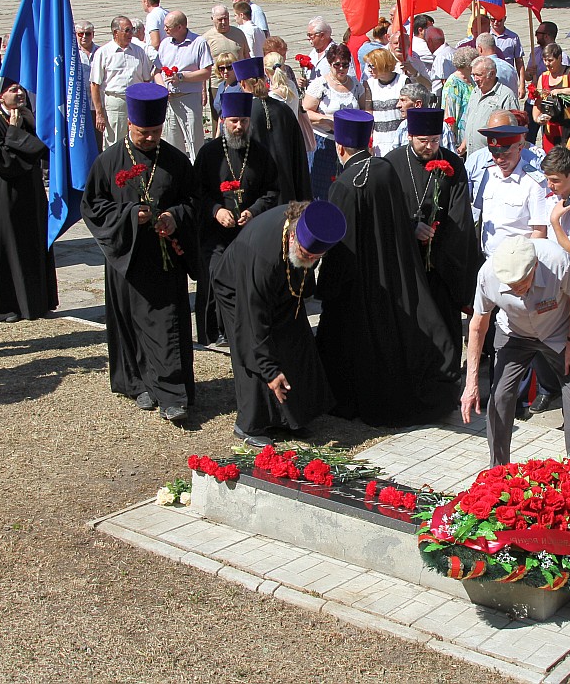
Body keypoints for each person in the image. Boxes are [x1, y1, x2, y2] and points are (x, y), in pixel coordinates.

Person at [316, 109, 461, 426]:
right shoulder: (384, 168)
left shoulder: (343, 185)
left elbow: (341, 248)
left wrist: (326, 287)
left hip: (361, 282)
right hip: (393, 272)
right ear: (367, 140)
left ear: (340, 148)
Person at [81, 83, 199, 423]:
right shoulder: (108, 162)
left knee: (166, 325)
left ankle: (173, 393)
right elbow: (93, 206)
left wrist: (173, 218)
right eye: (143, 132)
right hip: (127, 257)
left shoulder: (175, 161)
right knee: (131, 325)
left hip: (165, 259)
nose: (149, 138)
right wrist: (131, 216)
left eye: (155, 132)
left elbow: (193, 202)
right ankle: (138, 384)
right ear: (130, 126)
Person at [214, 200, 344, 447]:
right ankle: (249, 424)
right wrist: (270, 371)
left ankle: (291, 418)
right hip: (237, 287)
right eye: (306, 254)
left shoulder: (306, 225)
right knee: (252, 348)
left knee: (295, 338)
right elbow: (254, 322)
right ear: (293, 236)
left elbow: (301, 266)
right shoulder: (262, 257)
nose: (311, 259)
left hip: (282, 281)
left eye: (316, 256)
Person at [463, 236, 570, 466]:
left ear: (535, 265)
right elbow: (477, 325)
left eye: (522, 282)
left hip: (560, 331)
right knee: (500, 396)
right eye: (511, 285)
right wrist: (471, 381)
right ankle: (498, 472)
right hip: (514, 333)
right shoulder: (487, 275)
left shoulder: (557, 261)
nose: (518, 289)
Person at [385, 107, 481, 352]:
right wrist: (410, 229)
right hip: (405, 260)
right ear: (410, 136)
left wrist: (438, 245)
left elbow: (459, 216)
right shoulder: (391, 164)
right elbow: (385, 212)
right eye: (423, 141)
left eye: (435, 141)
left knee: (443, 326)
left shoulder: (452, 163)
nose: (430, 147)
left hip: (441, 264)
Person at [192, 88, 279, 347]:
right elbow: (197, 192)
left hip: (248, 231)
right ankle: (212, 331)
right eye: (234, 121)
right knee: (213, 274)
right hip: (215, 233)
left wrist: (253, 211)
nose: (239, 127)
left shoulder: (261, 154)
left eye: (243, 121)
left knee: (246, 279)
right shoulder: (209, 154)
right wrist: (216, 210)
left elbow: (272, 191)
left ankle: (239, 329)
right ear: (223, 121)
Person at [0, 80, 58, 323]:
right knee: (7, 245)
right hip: (4, 193)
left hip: (30, 191)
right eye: (13, 90)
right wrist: (14, 133)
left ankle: (35, 301)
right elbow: (2, 161)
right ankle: (6, 304)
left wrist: (22, 132)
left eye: (21, 89)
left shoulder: (28, 117)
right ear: (0, 97)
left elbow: (43, 148)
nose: (20, 93)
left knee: (32, 242)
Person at [234, 57, 313, 203]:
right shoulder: (284, 109)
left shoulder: (244, 115)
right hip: (288, 185)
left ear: (243, 84)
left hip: (261, 193)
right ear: (264, 79)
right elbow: (298, 152)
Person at [472, 119, 552, 256]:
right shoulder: (489, 173)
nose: (499, 160)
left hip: (517, 262)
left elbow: (539, 230)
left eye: (506, 154)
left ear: (520, 148)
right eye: (495, 155)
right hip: (488, 258)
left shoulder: (534, 182)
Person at [91, 16, 157, 149]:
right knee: (115, 142)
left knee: (139, 139)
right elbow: (95, 85)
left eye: (132, 30)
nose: (130, 34)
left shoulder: (139, 51)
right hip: (116, 103)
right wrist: (99, 113)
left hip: (137, 102)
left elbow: (146, 80)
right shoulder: (103, 53)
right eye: (127, 30)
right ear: (116, 32)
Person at [156, 10, 214, 161]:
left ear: (180, 27)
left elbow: (207, 72)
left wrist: (182, 77)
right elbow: (156, 71)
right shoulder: (164, 44)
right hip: (170, 101)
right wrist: (162, 88)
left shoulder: (198, 43)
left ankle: (199, 174)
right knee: (173, 141)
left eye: (168, 27)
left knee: (194, 140)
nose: (165, 29)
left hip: (189, 99)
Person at [532, 43, 570, 154]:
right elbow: (538, 103)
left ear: (560, 58)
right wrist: (538, 119)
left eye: (550, 60)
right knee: (552, 161)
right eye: (545, 60)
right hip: (552, 126)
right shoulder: (543, 77)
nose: (547, 64)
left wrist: (562, 91)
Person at [462, 56, 520, 154]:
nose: (475, 79)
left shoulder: (506, 95)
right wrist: (464, 144)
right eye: (473, 75)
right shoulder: (475, 92)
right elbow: (469, 120)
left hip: (494, 155)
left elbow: (513, 130)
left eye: (479, 75)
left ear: (492, 74)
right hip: (472, 155)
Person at [360, 47, 408, 154]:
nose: (369, 70)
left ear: (383, 64)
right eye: (368, 66)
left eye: (372, 66)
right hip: (379, 141)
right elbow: (369, 113)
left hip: (400, 137)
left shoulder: (403, 81)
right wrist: (369, 138)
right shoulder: (370, 84)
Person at [442, 46, 478, 152]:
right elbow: (449, 114)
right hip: (459, 136)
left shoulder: (471, 79)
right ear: (467, 65)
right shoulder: (453, 83)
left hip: (471, 130)